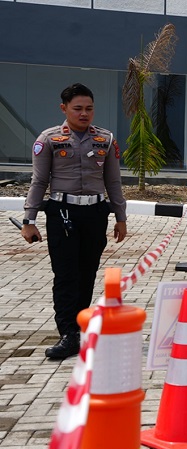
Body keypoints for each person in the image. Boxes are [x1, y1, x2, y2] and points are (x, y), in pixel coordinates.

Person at [21, 83, 127, 360]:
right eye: (78, 108)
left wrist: (120, 217)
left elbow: (113, 181)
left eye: (89, 108)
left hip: (94, 213)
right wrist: (28, 220)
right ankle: (68, 334)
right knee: (66, 275)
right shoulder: (49, 139)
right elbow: (39, 181)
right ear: (64, 108)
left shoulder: (105, 139)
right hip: (61, 212)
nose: (84, 114)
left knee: (87, 272)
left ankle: (81, 326)